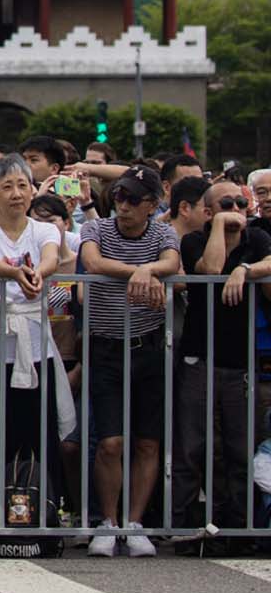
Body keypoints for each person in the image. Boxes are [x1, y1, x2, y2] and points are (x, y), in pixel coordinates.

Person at [0, 153, 64, 543]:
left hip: (35, 348)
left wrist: (38, 272)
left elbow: (51, 258)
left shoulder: (43, 231)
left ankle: (48, 512)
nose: (17, 194)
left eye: (23, 185)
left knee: (40, 432)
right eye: (7, 186)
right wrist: (15, 271)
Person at [78, 163, 180, 557]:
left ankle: (135, 522)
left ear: (153, 204)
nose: (123, 205)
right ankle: (109, 521)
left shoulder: (162, 231)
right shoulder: (97, 228)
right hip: (105, 346)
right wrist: (140, 272)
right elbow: (95, 262)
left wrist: (151, 268)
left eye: (133, 199)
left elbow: (172, 263)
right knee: (109, 442)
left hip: (149, 345)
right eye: (119, 196)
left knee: (147, 442)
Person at [172, 176, 271, 544]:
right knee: (193, 447)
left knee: (239, 449)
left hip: (240, 361)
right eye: (225, 205)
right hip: (199, 358)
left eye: (240, 204)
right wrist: (219, 229)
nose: (236, 211)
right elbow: (211, 269)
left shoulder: (256, 239)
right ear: (209, 212)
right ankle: (180, 526)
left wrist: (245, 270)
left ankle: (240, 527)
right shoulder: (194, 240)